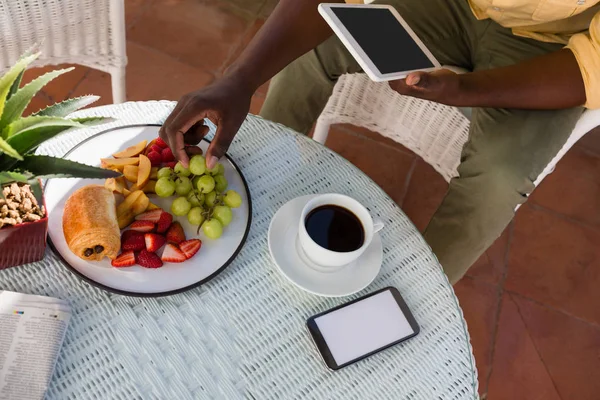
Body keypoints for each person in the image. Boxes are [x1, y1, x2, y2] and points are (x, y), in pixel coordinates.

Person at [159, 0, 599, 284]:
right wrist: (238, 81)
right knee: (312, 49)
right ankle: (254, 195)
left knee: (499, 178)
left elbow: (592, 64)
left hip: (553, 49)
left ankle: (410, 301)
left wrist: (465, 92)